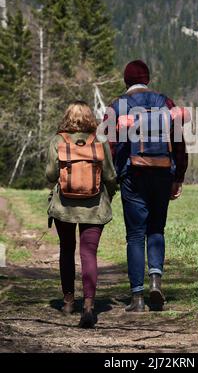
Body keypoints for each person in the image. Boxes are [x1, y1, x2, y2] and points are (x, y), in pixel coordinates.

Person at [105, 60, 188, 312]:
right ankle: (155, 280)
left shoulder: (116, 106)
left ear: (126, 81)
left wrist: (111, 178)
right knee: (156, 229)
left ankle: (137, 298)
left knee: (134, 235)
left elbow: (109, 145)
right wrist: (179, 176)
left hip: (132, 175)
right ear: (148, 79)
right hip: (163, 172)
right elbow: (180, 143)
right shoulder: (166, 102)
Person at [46, 100, 117, 328]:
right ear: (89, 117)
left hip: (64, 208)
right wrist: (110, 196)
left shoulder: (58, 140)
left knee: (66, 250)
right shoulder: (100, 140)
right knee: (89, 254)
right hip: (95, 207)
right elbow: (110, 176)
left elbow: (49, 175)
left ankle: (68, 301)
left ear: (67, 117)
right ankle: (88, 305)